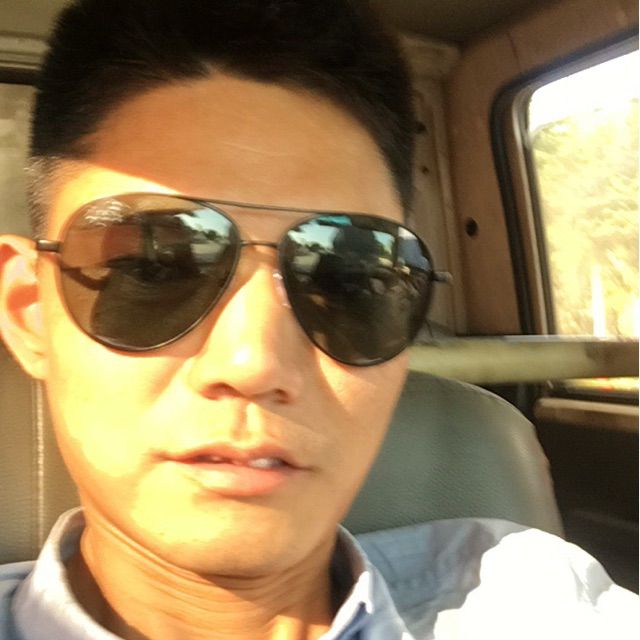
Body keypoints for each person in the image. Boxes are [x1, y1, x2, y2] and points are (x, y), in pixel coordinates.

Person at [0, 1, 636, 639]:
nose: (254, 365)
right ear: (30, 312)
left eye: (346, 280)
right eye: (151, 271)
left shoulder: (534, 597)